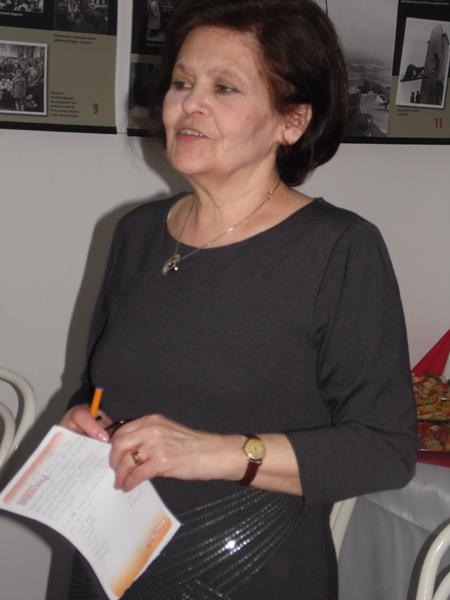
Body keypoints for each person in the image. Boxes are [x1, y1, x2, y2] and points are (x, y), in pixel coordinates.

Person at [61, 1, 417, 598]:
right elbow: (98, 387)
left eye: (224, 88)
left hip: (251, 572)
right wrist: (82, 420)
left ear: (291, 121)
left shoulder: (338, 249)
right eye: (181, 83)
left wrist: (218, 453)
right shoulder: (136, 233)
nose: (189, 105)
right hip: (111, 556)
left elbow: (385, 450)